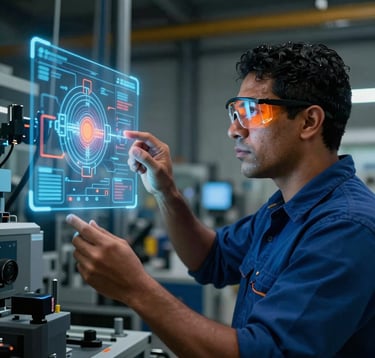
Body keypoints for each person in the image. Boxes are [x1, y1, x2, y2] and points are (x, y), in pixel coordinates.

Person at [66, 42, 375, 357]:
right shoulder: (279, 212)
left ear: (309, 122)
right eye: (235, 112)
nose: (233, 130)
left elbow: (267, 352)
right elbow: (210, 258)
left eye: (252, 112)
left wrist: (136, 288)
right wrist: (165, 191)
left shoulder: (346, 229)